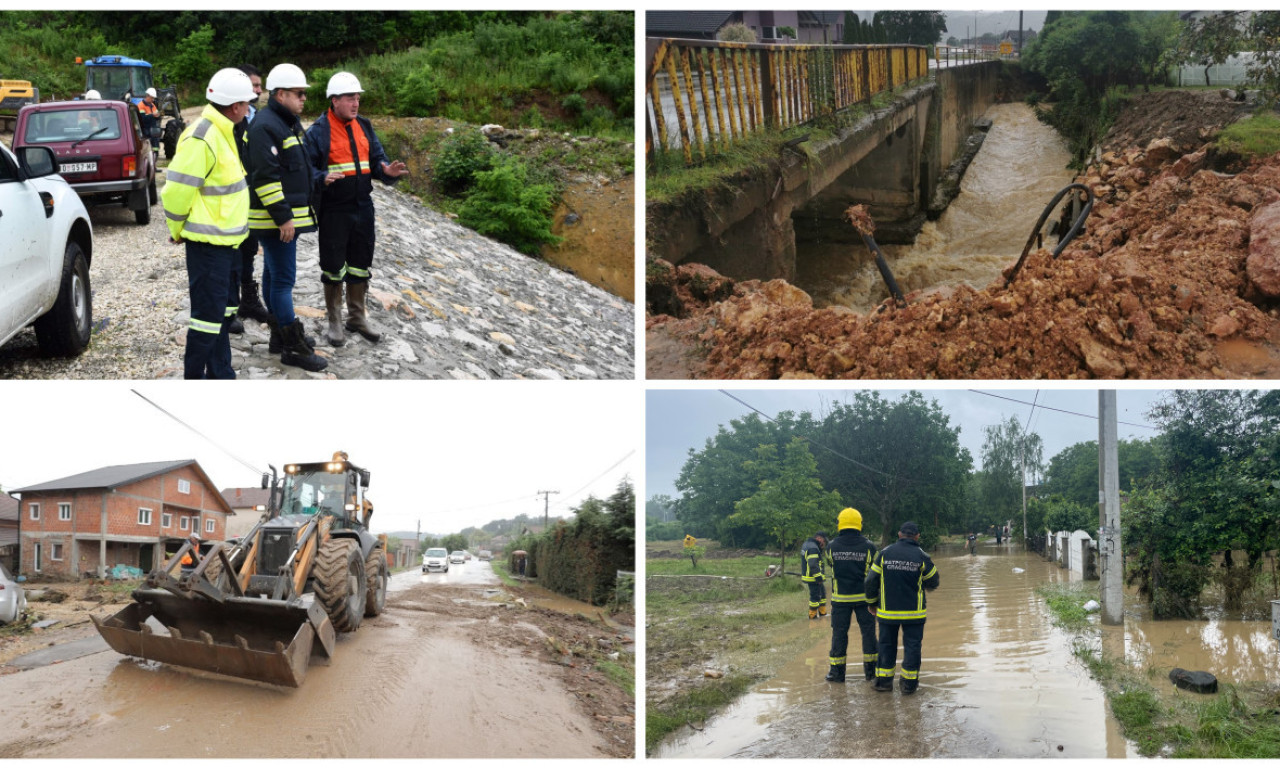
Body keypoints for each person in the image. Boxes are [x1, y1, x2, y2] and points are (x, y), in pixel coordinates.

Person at [161, 68, 254, 379]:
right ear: (235, 106)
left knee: (223, 317)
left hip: (229, 246)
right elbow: (176, 191)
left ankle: (221, 374)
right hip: (209, 249)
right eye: (247, 103)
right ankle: (194, 380)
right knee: (206, 323)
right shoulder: (202, 137)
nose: (249, 108)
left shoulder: (227, 132)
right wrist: (177, 229)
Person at [304, 71, 408, 347]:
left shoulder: (365, 125)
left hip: (363, 206)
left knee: (361, 265)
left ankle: (357, 317)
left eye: (358, 97)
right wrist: (320, 178)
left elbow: (377, 160)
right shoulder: (317, 131)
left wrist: (388, 170)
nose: (356, 102)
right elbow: (305, 170)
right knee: (334, 266)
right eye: (350, 97)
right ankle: (335, 320)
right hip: (334, 209)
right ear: (334, 100)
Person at [246, 63, 326, 372]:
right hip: (275, 218)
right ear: (281, 94)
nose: (304, 99)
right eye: (299, 94)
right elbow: (265, 178)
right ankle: (292, 346)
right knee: (283, 280)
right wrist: (283, 218)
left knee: (271, 275)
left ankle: (279, 336)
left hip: (277, 216)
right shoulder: (267, 126)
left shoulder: (284, 122)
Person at [864, 521, 939, 695]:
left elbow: (870, 581)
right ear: (917, 536)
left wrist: (871, 603)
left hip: (887, 612)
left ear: (899, 534)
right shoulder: (921, 556)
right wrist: (921, 585)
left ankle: (883, 683)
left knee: (886, 645)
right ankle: (908, 686)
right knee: (913, 646)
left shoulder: (885, 553)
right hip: (914, 613)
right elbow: (934, 581)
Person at [234, 64, 272, 330]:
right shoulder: (227, 120)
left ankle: (248, 301)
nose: (260, 90)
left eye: (260, 86)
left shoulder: (256, 116)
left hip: (253, 196)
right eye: (255, 86)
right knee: (231, 252)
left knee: (249, 249)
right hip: (231, 197)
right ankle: (228, 308)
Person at [826, 508, 878, 683]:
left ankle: (837, 674)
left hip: (840, 601)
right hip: (865, 600)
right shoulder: (870, 547)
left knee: (839, 635)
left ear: (840, 524)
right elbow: (875, 573)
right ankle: (871, 673)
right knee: (869, 635)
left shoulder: (831, 546)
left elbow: (830, 563)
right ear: (859, 524)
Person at [800, 530, 829, 619]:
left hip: (812, 577)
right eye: (824, 541)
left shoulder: (807, 544)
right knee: (815, 597)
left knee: (822, 594)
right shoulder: (813, 548)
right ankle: (812, 617)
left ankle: (823, 614)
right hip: (813, 578)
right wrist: (819, 578)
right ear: (819, 538)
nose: (824, 544)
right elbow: (813, 565)